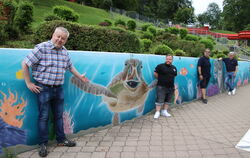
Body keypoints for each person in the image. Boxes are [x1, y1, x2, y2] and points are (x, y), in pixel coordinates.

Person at [22, 27, 89, 157]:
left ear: (65, 40)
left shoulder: (64, 52)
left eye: (63, 38)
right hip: (43, 88)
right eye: (58, 36)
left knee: (58, 116)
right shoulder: (42, 48)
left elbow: (70, 66)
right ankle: (42, 144)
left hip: (58, 89)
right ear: (53, 35)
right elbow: (25, 63)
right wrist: (28, 83)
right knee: (44, 117)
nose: (60, 40)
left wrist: (80, 76)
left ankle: (61, 140)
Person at [153, 54, 177, 119]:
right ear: (165, 59)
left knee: (168, 100)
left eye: (170, 59)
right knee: (159, 99)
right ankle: (157, 112)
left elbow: (174, 76)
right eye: (167, 59)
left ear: (172, 60)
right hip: (161, 86)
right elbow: (155, 74)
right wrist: (161, 79)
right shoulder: (160, 66)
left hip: (171, 87)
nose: (168, 60)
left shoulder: (174, 68)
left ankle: (164, 111)